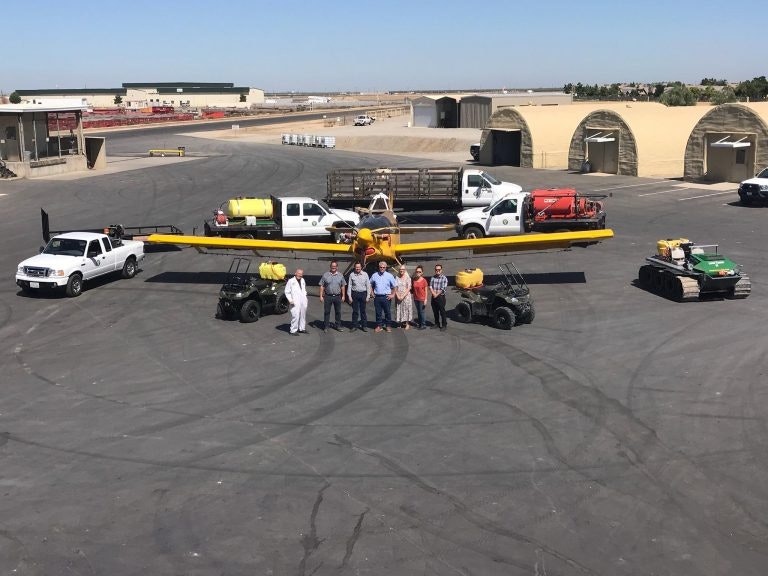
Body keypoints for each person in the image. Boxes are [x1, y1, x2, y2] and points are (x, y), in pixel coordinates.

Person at [319, 260, 346, 332]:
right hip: (328, 296)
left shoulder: (340, 275)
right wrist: (321, 296)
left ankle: (338, 325)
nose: (333, 267)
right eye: (332, 266)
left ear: (337, 267)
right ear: (330, 266)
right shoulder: (325, 275)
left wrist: (343, 296)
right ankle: (326, 326)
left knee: (338, 312)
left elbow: (343, 286)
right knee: (327, 312)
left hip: (337, 296)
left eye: (335, 266)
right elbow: (322, 286)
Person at [369, 261, 396, 333]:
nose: (382, 268)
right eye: (381, 267)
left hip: (386, 297)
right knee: (378, 313)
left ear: (386, 268)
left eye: (384, 267)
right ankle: (379, 326)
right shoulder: (374, 275)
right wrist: (371, 292)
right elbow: (370, 284)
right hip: (377, 297)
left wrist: (392, 294)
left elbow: (394, 286)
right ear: (379, 267)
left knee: (387, 312)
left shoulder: (389, 276)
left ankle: (388, 326)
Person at [347, 261, 371, 332]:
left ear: (361, 267)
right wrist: (349, 296)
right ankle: (354, 326)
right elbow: (349, 286)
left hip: (363, 294)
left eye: (359, 267)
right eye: (356, 267)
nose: (357, 268)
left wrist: (368, 296)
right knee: (355, 311)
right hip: (354, 294)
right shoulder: (351, 275)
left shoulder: (365, 274)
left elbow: (368, 286)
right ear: (354, 267)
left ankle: (364, 326)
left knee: (363, 311)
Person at [284, 268, 308, 336]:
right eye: (299, 273)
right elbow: (287, 291)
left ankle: (302, 328)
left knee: (303, 315)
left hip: (303, 300)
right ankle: (293, 330)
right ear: (295, 273)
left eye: (301, 274)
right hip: (295, 301)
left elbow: (304, 289)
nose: (300, 275)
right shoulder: (291, 281)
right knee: (295, 315)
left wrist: (305, 296)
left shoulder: (303, 280)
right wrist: (290, 300)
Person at [394, 264, 414, 330]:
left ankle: (407, 324)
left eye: (403, 269)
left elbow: (409, 288)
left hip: (406, 296)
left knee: (407, 309)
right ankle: (400, 322)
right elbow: (395, 287)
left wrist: (403, 295)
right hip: (398, 296)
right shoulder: (397, 277)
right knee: (399, 309)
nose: (401, 271)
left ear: (405, 270)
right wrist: (397, 295)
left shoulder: (408, 277)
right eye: (400, 270)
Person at [430, 264, 448, 331]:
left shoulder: (444, 278)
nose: (437, 271)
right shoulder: (433, 277)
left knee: (442, 312)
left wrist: (436, 294)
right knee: (435, 311)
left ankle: (444, 325)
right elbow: (430, 286)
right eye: (436, 270)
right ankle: (437, 324)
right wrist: (434, 294)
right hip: (433, 296)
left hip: (440, 297)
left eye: (439, 270)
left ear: (441, 270)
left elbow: (443, 288)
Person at [411, 265, 428, 330]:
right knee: (419, 312)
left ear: (422, 273)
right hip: (416, 298)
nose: (418, 273)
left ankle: (423, 325)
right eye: (417, 271)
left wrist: (426, 299)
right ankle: (420, 324)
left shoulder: (424, 281)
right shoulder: (414, 280)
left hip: (422, 299)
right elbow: (413, 289)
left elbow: (426, 291)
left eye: (419, 272)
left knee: (421, 312)